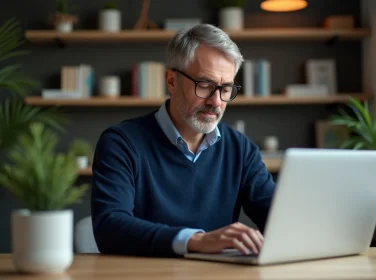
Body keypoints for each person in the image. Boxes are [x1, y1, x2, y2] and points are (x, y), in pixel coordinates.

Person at [91, 23, 276, 258]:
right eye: (206, 85)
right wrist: (196, 241)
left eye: (226, 89)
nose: (216, 101)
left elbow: (279, 220)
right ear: (171, 81)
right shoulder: (121, 143)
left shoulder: (241, 149)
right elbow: (109, 227)